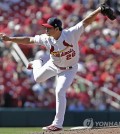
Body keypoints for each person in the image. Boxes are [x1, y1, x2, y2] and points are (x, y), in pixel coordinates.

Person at [0, 6, 103, 131]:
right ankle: (37, 62)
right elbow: (29, 39)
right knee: (37, 78)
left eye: (49, 28)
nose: (46, 30)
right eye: (45, 27)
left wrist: (98, 10)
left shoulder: (70, 33)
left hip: (69, 70)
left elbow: (86, 21)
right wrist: (10, 39)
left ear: (56, 28)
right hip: (53, 65)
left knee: (60, 91)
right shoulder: (46, 38)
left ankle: (57, 124)